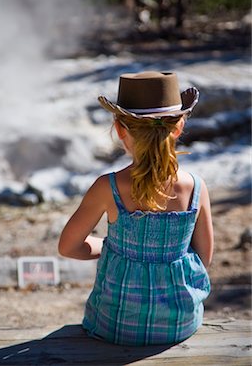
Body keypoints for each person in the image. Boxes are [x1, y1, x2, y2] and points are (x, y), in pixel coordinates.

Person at [58, 71, 213, 346]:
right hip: (179, 325)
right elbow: (204, 257)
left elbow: (68, 246)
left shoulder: (108, 187)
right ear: (178, 128)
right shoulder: (196, 188)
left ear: (120, 130)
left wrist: (112, 247)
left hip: (115, 327)